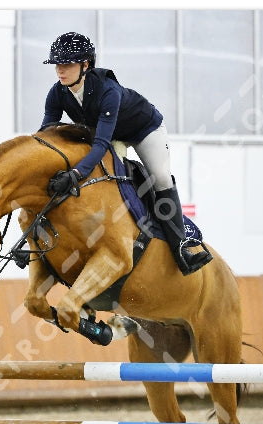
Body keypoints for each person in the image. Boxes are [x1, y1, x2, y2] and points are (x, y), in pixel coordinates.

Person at [40, 32, 211, 275]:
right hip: (110, 135)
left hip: (143, 129)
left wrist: (76, 172)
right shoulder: (57, 93)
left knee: (160, 178)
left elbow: (100, 145)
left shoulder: (108, 90)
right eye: (58, 64)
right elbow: (46, 134)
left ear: (85, 65)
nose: (60, 70)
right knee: (104, 180)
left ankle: (181, 245)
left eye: (67, 64)